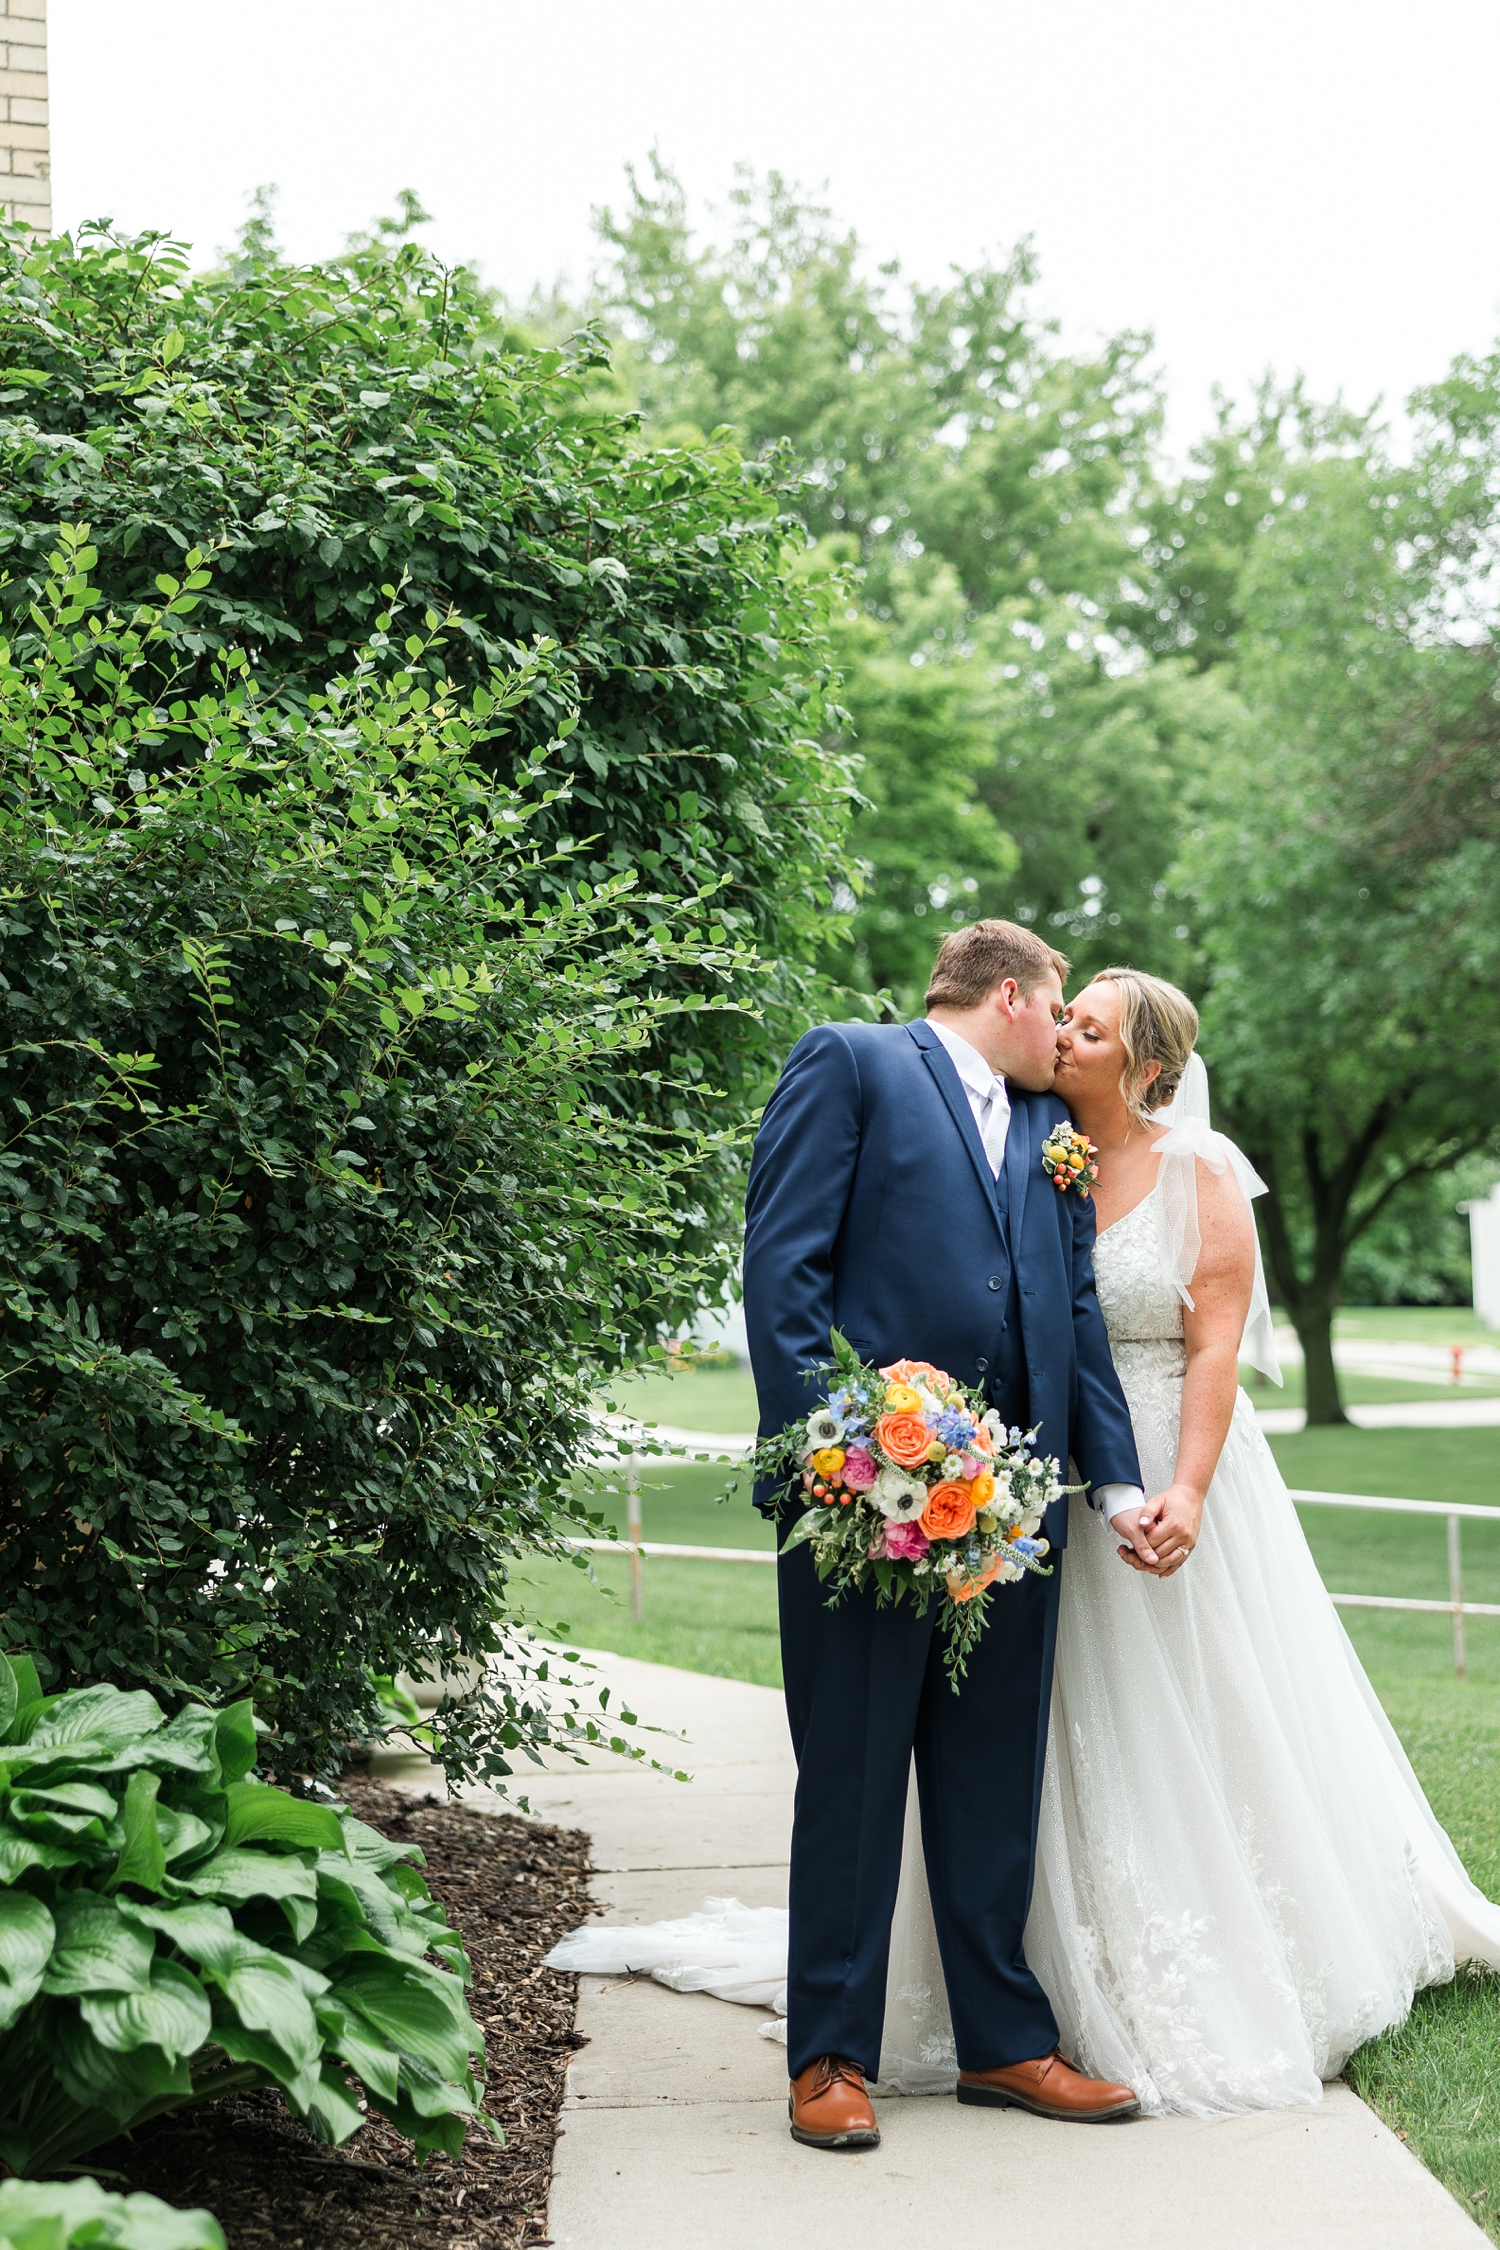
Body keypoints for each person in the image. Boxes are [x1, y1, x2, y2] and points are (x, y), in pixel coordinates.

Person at [881, 968, 1500, 2113]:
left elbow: (1214, 1344)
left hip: (1174, 1448)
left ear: (1149, 1064)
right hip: (1048, 1469)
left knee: (1200, 1699)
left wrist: (1190, 1489)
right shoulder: (1026, 1139)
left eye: (1089, 1027)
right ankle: (1025, 1974)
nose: (1061, 1035)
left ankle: (1232, 1942)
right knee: (1056, 1714)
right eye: (1063, 1018)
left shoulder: (1201, 1170)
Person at [740, 922, 1147, 2150]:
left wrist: (1115, 1485)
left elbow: (1072, 1314)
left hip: (1013, 1521)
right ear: (1012, 995)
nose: (1066, 1032)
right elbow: (784, 1270)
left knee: (991, 1785)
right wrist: (834, 1462)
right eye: (1059, 1004)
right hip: (862, 1509)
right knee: (854, 1781)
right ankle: (828, 2059)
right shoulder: (852, 1064)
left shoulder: (1050, 1138)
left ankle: (1007, 2046)